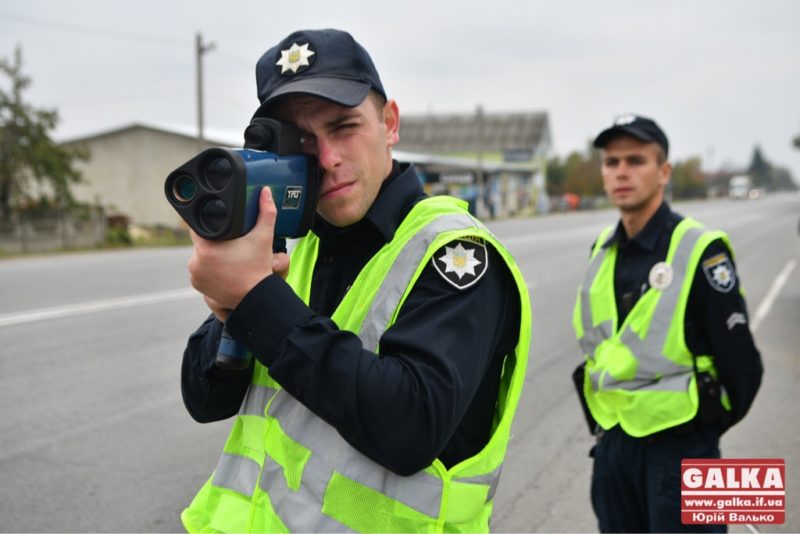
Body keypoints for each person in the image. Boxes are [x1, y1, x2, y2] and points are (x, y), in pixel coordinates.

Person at [179, 28, 531, 533]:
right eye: (302, 141)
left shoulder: (454, 252)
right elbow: (205, 400)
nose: (325, 159)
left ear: (389, 123)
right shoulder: (297, 246)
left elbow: (410, 427)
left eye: (344, 127)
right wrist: (231, 310)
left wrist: (256, 300)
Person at [572, 114, 763, 533]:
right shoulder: (601, 251)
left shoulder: (701, 249)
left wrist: (701, 433)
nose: (621, 171)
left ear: (663, 172)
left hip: (685, 446)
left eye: (635, 160)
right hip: (614, 448)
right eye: (612, 162)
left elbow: (743, 367)